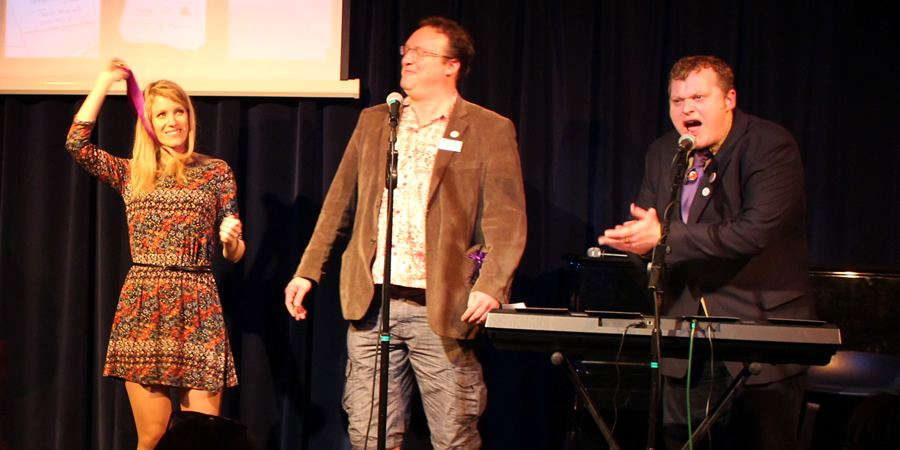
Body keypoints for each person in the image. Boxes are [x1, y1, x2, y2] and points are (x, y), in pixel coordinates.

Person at [284, 17, 526, 450]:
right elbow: (339, 203)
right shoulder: (377, 121)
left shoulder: (489, 128)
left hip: (443, 306)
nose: (408, 58)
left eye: (421, 52)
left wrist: (491, 285)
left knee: (453, 437)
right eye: (405, 51)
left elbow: (506, 222)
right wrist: (307, 271)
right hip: (373, 301)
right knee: (369, 436)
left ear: (452, 66)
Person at [597, 55, 816, 449]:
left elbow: (754, 233)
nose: (687, 109)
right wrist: (635, 244)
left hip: (759, 335)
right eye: (677, 101)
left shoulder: (769, 144)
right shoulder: (664, 152)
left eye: (698, 97)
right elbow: (650, 228)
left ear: (729, 99)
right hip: (684, 342)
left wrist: (663, 238)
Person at [66, 59, 245, 450]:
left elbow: (234, 252)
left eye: (178, 110)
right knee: (153, 436)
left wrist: (230, 239)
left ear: (189, 115)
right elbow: (76, 144)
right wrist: (103, 83)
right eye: (161, 113)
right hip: (144, 304)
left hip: (198, 303)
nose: (172, 120)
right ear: (148, 122)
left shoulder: (216, 172)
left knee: (206, 435)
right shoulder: (133, 173)